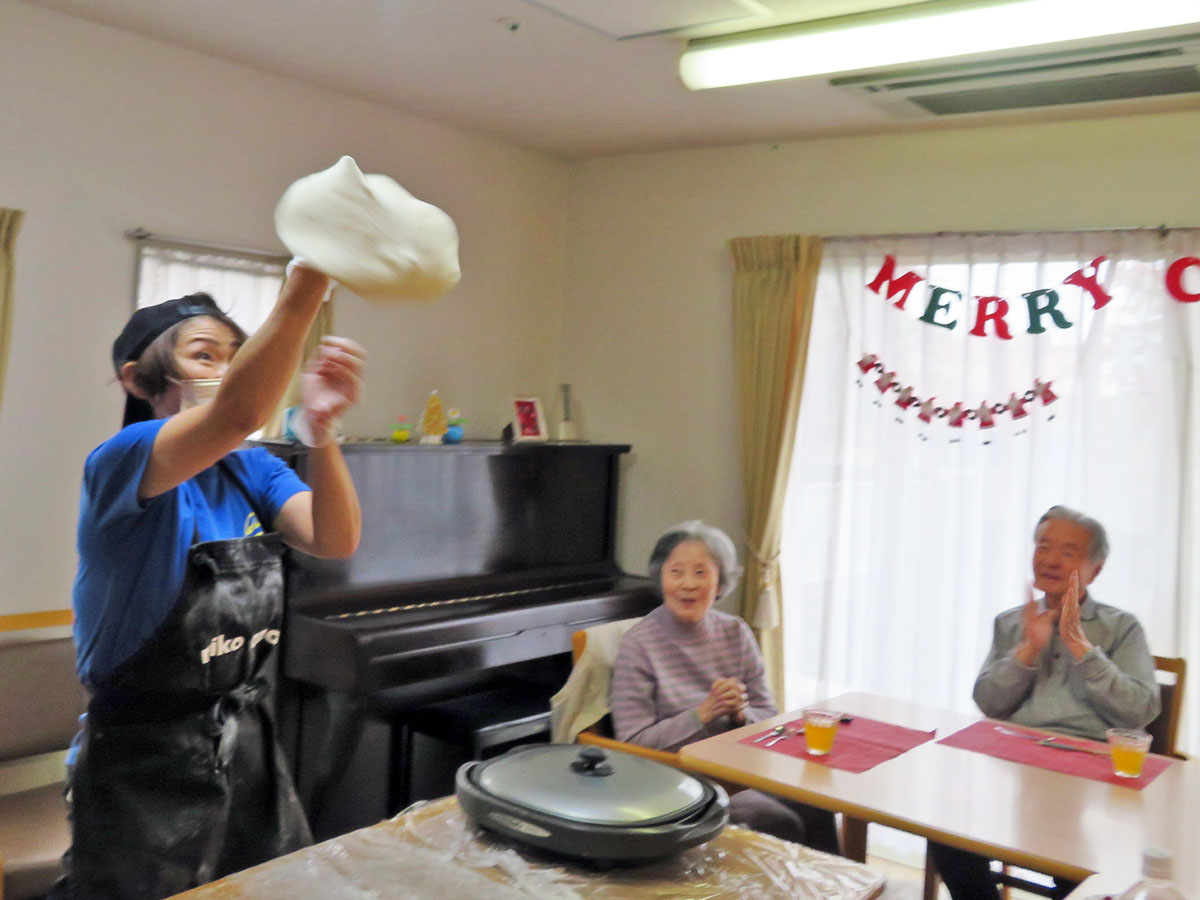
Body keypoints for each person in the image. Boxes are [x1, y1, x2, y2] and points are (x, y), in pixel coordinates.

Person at [54, 263, 366, 900]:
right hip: (142, 765)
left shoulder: (252, 467)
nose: (227, 368)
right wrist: (308, 285)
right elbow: (239, 410)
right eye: (205, 355)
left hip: (247, 743)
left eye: (238, 354)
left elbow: (334, 538)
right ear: (139, 379)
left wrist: (323, 431)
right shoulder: (122, 461)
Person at [929, 505, 1160, 900]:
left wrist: (1084, 650)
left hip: (1091, 778)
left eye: (1068, 552)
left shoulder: (1121, 628)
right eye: (1043, 546)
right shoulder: (1011, 622)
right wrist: (1028, 650)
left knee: (1081, 867)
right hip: (1013, 768)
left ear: (1095, 569)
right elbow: (989, 703)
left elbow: (1140, 711)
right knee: (944, 832)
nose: (1050, 559)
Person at [611, 520, 841, 854]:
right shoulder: (639, 644)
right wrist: (702, 714)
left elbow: (769, 717)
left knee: (815, 800)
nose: (688, 584)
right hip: (677, 776)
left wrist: (738, 714)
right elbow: (631, 742)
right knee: (780, 822)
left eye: (701, 573)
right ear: (661, 579)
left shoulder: (735, 632)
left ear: (720, 583)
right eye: (676, 572)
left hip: (741, 765)